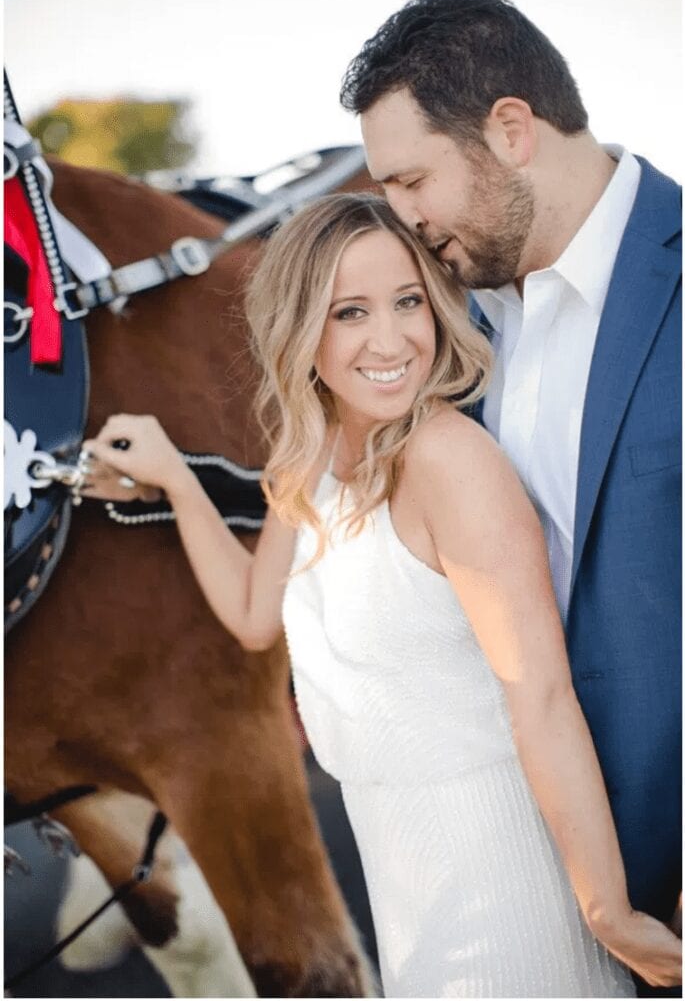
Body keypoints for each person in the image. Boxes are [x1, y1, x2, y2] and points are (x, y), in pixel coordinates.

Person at [81, 193, 680, 997]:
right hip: (401, 871)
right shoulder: (306, 461)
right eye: (349, 312)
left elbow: (538, 694)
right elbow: (258, 618)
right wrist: (180, 486)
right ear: (300, 330)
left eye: (408, 302)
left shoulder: (449, 462)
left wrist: (607, 911)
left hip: (502, 869)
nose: (391, 339)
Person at [339, 0, 681, 995]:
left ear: (510, 129)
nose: (400, 216)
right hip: (528, 894)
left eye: (411, 178)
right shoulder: (451, 331)